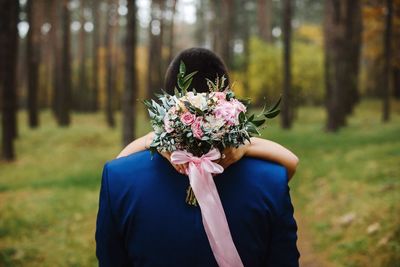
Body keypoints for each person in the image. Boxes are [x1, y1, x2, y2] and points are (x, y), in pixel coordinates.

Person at [95, 48, 300, 266]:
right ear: (226, 102)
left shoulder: (117, 178)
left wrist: (153, 138)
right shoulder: (271, 178)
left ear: (169, 104)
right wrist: (246, 144)